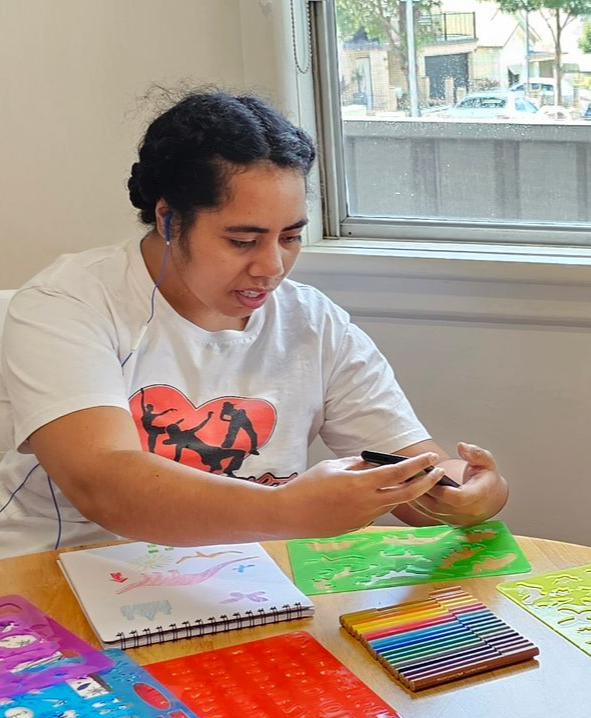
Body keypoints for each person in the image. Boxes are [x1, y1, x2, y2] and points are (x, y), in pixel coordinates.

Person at [0, 90, 508, 558]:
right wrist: (287, 510)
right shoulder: (66, 303)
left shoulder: (313, 322)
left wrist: (468, 494)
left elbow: (409, 473)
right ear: (168, 219)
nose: (272, 267)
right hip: (53, 574)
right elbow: (103, 485)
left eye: (289, 237)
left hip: (240, 582)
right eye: (243, 241)